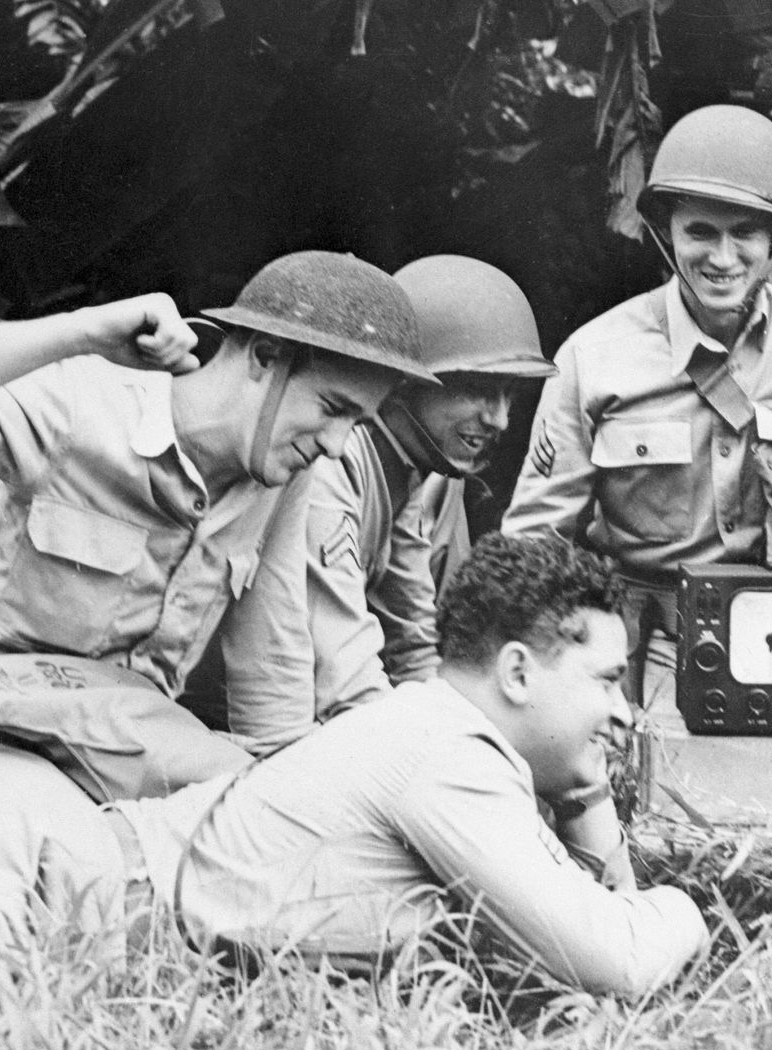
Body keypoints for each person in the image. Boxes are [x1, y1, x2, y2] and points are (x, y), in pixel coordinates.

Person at [0, 534, 706, 998]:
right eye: (610, 681)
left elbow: (561, 939)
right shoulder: (446, 758)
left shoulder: (439, 733)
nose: (623, 711)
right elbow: (611, 959)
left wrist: (588, 821)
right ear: (521, 672)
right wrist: (689, 911)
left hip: (49, 866)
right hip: (33, 882)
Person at [0, 251, 432, 804]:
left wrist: (278, 809)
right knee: (43, 846)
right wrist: (84, 331)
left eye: (356, 423)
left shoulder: (276, 479)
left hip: (120, 752)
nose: (334, 446)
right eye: (332, 409)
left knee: (237, 817)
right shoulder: (85, 403)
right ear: (265, 357)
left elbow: (271, 663)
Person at [503, 104, 772, 724]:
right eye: (700, 232)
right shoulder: (596, 356)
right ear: (668, 235)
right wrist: (579, 682)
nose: (722, 256)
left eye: (745, 232)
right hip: (649, 658)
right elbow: (536, 544)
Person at [183, 255, 556, 749]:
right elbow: (341, 671)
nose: (500, 420)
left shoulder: (412, 472)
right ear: (403, 387)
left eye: (509, 395)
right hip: (214, 727)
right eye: (476, 390)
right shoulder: (324, 464)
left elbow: (414, 640)